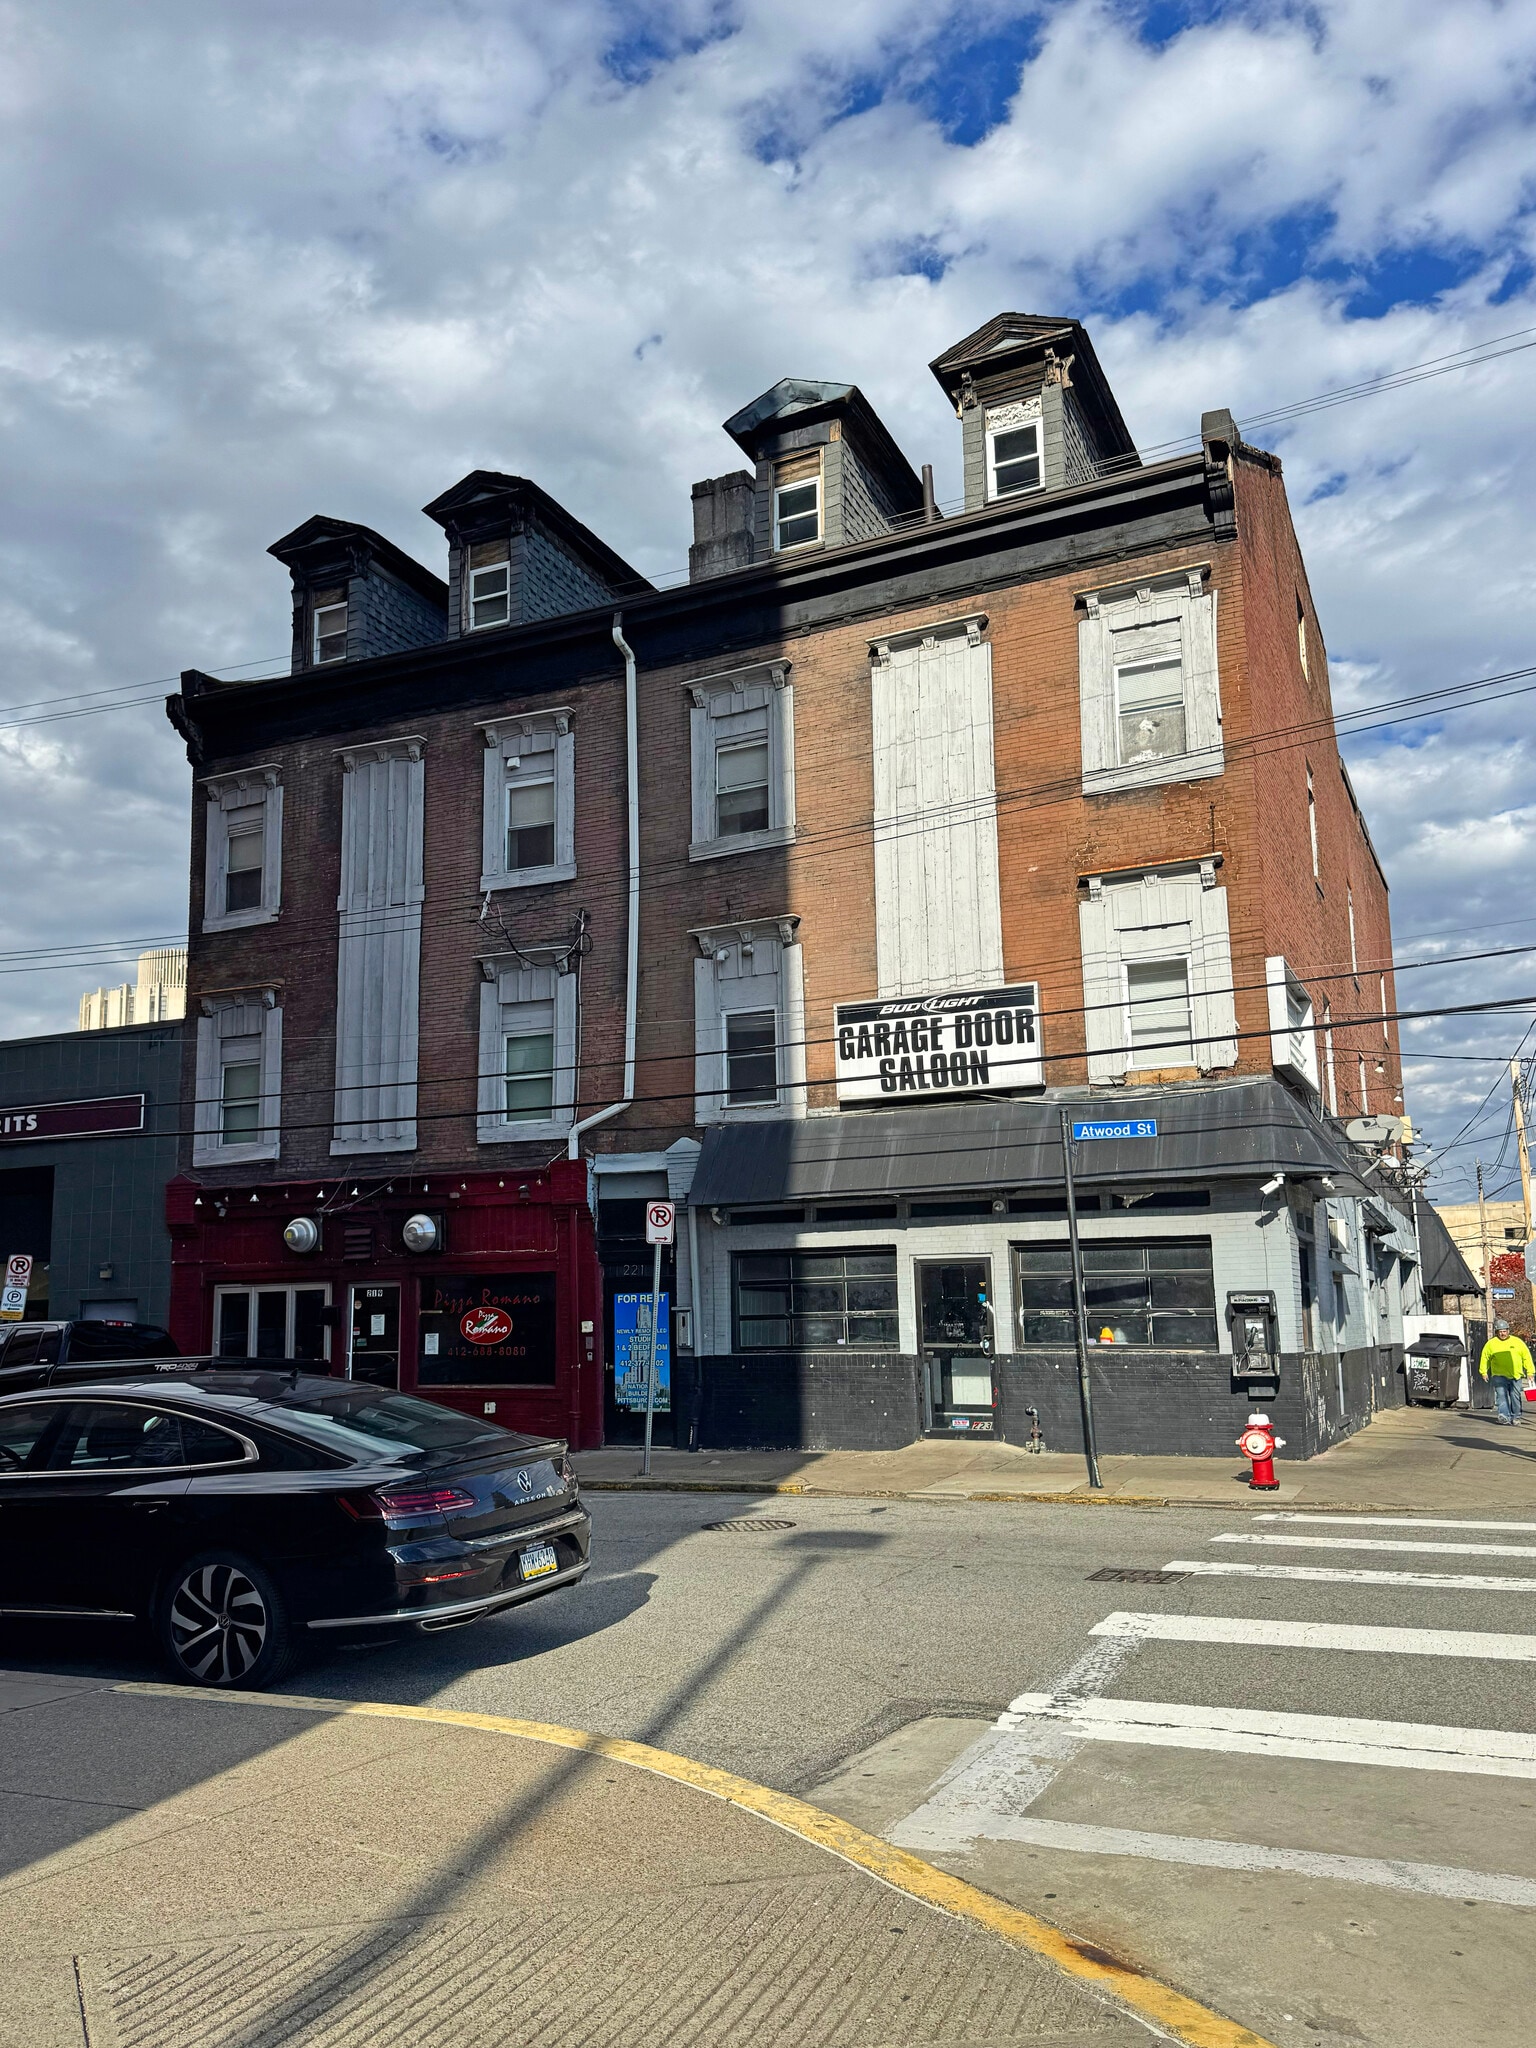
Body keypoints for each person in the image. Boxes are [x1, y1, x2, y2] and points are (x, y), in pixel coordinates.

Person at [1478, 1320, 1535, 1425]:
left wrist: (1530, 1372)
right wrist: (1483, 1371)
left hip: (1516, 1375)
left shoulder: (1517, 1342)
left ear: (1508, 1331)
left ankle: (1516, 1416)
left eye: (1504, 1331)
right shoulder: (1491, 1344)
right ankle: (1504, 1416)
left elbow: (1526, 1357)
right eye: (1499, 1331)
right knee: (1501, 1395)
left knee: (1515, 1396)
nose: (1502, 1334)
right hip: (1499, 1375)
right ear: (1496, 1332)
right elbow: (1485, 1358)